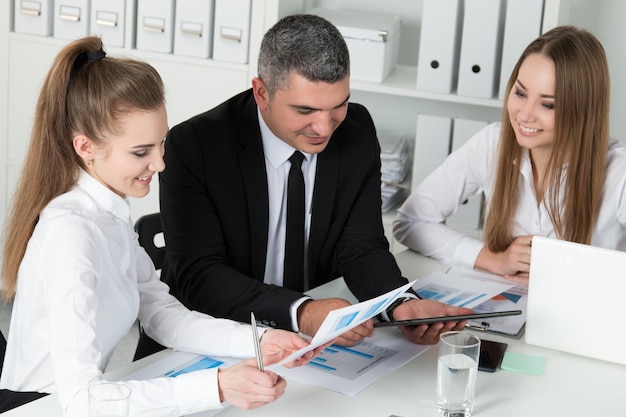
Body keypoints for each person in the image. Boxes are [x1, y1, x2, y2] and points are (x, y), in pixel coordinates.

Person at [0, 36, 320, 417]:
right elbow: (81, 399)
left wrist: (260, 340)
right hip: (40, 409)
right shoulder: (71, 234)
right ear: (86, 148)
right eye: (141, 152)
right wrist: (217, 387)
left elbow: (163, 315)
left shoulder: (109, 213)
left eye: (160, 144)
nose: (160, 164)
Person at [136, 13, 471, 361]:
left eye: (338, 105)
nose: (324, 127)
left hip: (315, 348)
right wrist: (302, 312)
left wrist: (399, 303)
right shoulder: (196, 145)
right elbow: (200, 276)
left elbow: (361, 246)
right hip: (215, 337)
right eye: (305, 110)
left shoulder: (355, 131)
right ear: (261, 92)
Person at [393, 25, 626, 285]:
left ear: (583, 110)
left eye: (547, 104)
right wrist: (491, 258)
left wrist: (562, 274)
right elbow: (410, 222)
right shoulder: (493, 143)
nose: (524, 115)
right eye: (520, 93)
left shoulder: (618, 173)